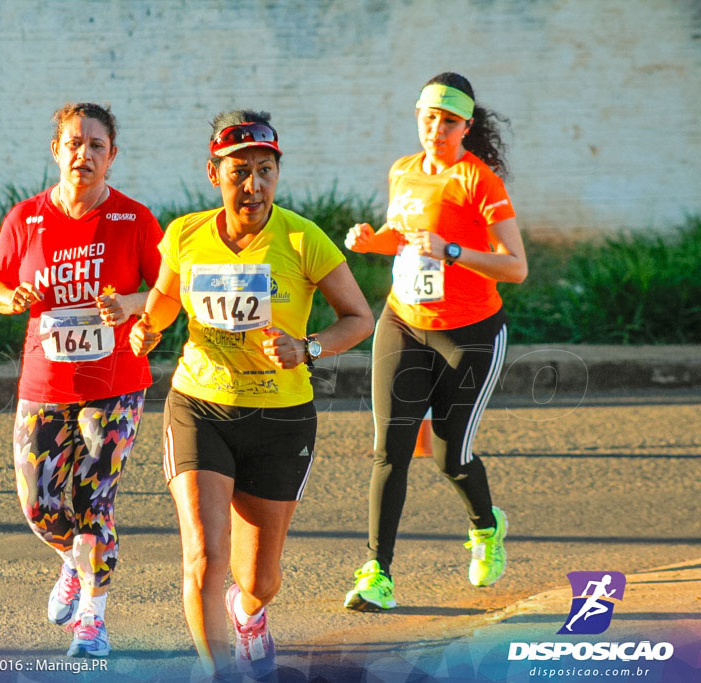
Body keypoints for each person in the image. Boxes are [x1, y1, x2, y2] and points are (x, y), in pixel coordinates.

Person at [130, 110, 374, 679]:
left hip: (280, 419)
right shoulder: (186, 234)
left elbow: (359, 317)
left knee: (258, 580)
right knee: (204, 557)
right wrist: (149, 327)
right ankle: (219, 671)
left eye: (266, 171)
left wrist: (308, 348)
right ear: (214, 173)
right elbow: (164, 300)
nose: (254, 185)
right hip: (200, 406)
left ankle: (249, 614)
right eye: (240, 171)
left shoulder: (300, 238)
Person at [0, 102, 163, 657]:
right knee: (38, 507)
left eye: (96, 146)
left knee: (93, 502)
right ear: (56, 150)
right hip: (45, 382)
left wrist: (132, 308)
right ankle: (73, 563)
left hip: (115, 386)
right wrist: (9, 300)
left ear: (112, 157)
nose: (84, 154)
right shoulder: (26, 217)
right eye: (74, 143)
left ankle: (93, 617)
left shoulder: (134, 220)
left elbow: (165, 295)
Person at [342, 72, 528, 611]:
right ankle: (378, 572)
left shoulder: (479, 181)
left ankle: (487, 527)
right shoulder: (403, 171)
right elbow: (404, 237)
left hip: (470, 336)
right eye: (429, 118)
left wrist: (453, 252)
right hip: (403, 323)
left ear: (466, 125)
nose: (437, 129)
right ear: (418, 117)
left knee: (450, 456)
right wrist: (374, 241)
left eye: (449, 121)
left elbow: (515, 267)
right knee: (389, 450)